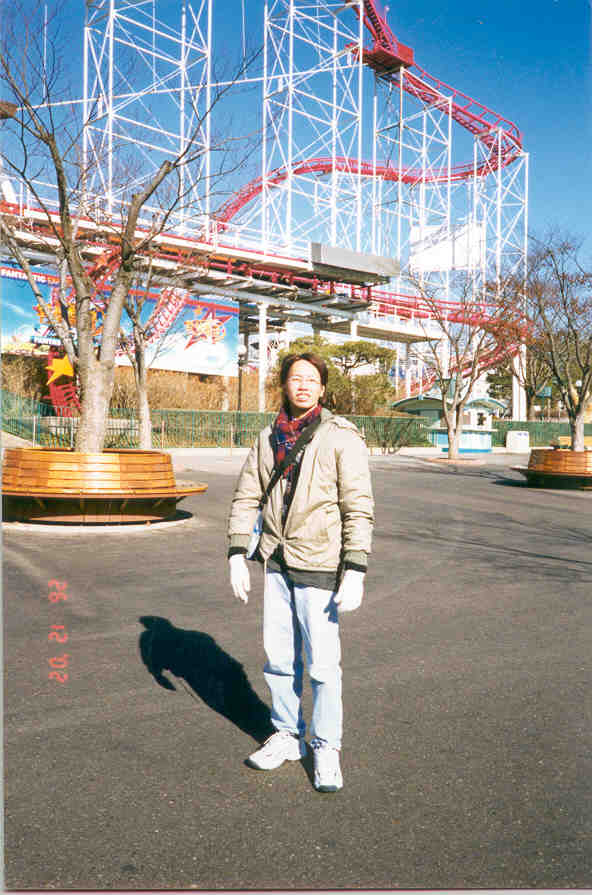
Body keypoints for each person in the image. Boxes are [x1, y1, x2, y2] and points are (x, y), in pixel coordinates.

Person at [227, 352, 374, 792]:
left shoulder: (341, 437)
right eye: (296, 378)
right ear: (285, 385)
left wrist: (356, 566)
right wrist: (236, 552)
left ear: (323, 389)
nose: (304, 385)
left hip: (320, 562)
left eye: (312, 379)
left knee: (324, 666)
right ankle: (288, 734)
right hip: (276, 560)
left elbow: (358, 507)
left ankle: (326, 745)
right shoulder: (268, 436)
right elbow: (246, 495)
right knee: (278, 659)